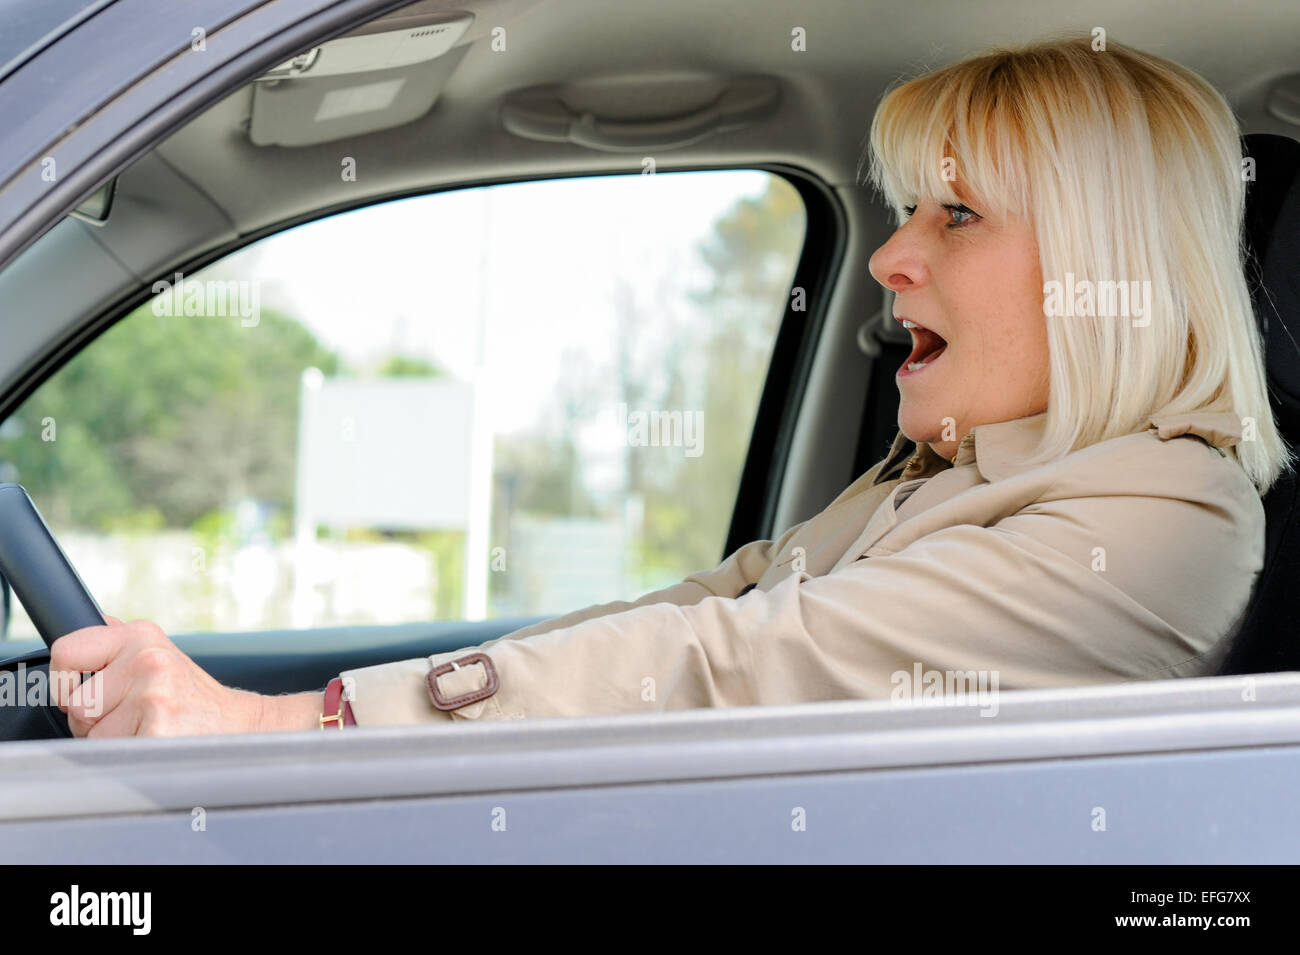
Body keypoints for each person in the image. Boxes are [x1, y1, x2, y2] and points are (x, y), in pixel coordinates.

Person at [50, 34, 1289, 737]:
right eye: (909, 208)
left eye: (956, 214)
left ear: (1104, 270)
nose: (892, 255)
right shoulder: (934, 482)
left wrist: (287, 733)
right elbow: (704, 605)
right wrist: (309, 716)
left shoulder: (1164, 514)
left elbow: (737, 663)